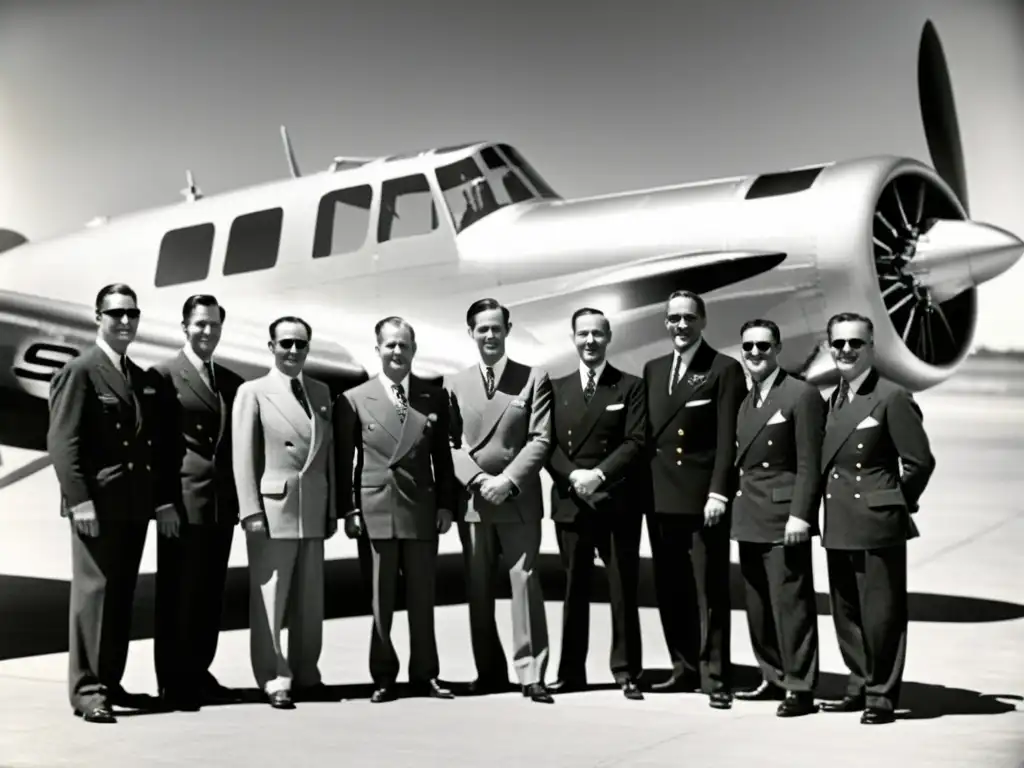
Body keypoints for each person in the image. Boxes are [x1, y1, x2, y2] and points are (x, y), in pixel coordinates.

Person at [47, 283, 178, 724]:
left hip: (133, 505)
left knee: (120, 596)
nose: (125, 321)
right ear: (97, 317)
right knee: (93, 595)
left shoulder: (140, 378)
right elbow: (63, 443)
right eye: (116, 313)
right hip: (97, 506)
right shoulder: (80, 371)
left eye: (132, 314)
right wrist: (79, 501)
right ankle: (87, 691)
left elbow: (152, 448)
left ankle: (111, 682)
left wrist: (159, 503)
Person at [818, 312, 935, 725]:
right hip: (838, 522)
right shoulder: (832, 397)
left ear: (872, 347)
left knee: (881, 614)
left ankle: (881, 697)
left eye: (855, 343)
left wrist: (894, 504)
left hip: (876, 523)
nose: (846, 350)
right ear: (828, 346)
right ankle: (858, 685)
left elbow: (919, 462)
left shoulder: (891, 396)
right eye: (839, 343)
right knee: (845, 611)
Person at [336, 316, 457, 703]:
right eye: (390, 345)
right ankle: (384, 676)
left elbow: (443, 458)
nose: (397, 352)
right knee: (380, 598)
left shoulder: (432, 396)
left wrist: (446, 506)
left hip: (421, 507)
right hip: (376, 508)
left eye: (404, 345)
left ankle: (426, 674)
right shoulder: (355, 398)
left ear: (414, 350)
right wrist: (349, 511)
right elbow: (345, 463)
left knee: (423, 598)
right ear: (377, 350)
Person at [445, 298, 554, 703]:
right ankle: (487, 671)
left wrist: (507, 480)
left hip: (517, 499)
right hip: (475, 501)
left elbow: (541, 438)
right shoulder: (454, 384)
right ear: (471, 333)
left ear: (508, 330)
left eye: (496, 328)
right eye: (482, 329)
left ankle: (531, 672)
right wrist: (475, 478)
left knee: (525, 582)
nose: (490, 335)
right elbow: (449, 443)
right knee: (477, 587)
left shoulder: (533, 378)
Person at [642, 290, 746, 709]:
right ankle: (683, 667)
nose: (680, 326)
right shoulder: (652, 369)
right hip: (660, 497)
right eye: (673, 319)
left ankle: (715, 675)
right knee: (670, 588)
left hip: (705, 500)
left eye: (688, 318)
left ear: (703, 322)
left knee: (710, 590)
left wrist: (720, 491)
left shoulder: (723, 369)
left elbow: (728, 441)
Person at [232, 316, 337, 709]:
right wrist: (249, 511)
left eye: (300, 344)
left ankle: (307, 672)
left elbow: (328, 456)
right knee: (270, 599)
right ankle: (274, 676)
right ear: (271, 347)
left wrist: (332, 509)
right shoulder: (253, 392)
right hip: (273, 510)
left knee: (311, 601)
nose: (293, 351)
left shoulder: (321, 391)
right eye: (286, 343)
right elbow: (243, 457)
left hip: (312, 507)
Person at [545, 308, 646, 701]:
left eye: (597, 334)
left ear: (609, 338)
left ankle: (626, 670)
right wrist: (573, 477)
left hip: (615, 501)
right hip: (572, 502)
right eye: (583, 334)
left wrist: (597, 475)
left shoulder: (630, 386)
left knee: (623, 589)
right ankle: (571, 671)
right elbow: (546, 443)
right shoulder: (555, 387)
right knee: (574, 589)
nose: (590, 341)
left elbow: (636, 441)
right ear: (573, 338)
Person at [151, 294, 243, 710]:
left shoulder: (229, 381)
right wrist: (162, 503)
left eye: (214, 325)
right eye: (200, 324)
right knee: (177, 594)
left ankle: (198, 672)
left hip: (220, 505)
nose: (207, 331)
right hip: (182, 503)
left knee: (209, 595)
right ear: (185, 326)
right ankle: (173, 681)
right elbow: (154, 447)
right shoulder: (164, 375)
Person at [731, 319, 825, 717]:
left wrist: (801, 516)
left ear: (778, 348)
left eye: (763, 347)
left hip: (784, 518)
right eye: (749, 347)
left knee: (791, 605)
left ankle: (800, 687)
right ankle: (772, 675)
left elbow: (810, 464)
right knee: (758, 605)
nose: (755, 354)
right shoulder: (746, 400)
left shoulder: (800, 394)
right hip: (750, 513)